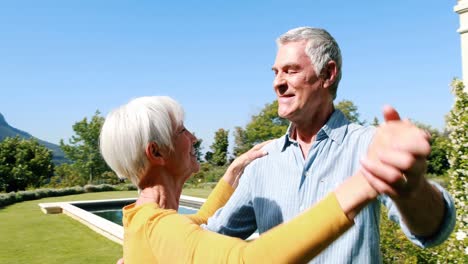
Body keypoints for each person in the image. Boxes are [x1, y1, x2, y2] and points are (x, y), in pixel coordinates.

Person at [204, 27, 456, 263]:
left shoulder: (369, 145)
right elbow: (212, 239)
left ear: (328, 74)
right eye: (275, 72)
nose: (277, 83)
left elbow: (433, 230)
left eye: (290, 71)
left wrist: (413, 191)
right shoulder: (262, 160)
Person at [100, 96, 424, 263]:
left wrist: (232, 173)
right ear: (157, 152)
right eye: (182, 130)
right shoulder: (161, 228)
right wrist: (366, 181)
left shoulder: (142, 219)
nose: (195, 137)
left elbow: (196, 223)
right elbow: (252, 259)